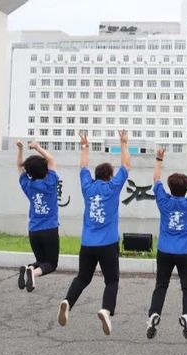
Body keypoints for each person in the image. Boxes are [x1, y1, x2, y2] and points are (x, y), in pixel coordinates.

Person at [58, 130, 130, 336]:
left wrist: (85, 146)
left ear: (96, 175)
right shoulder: (113, 187)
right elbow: (126, 165)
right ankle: (105, 310)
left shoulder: (87, 187)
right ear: (109, 176)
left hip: (87, 244)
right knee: (111, 281)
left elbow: (83, 167)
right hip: (108, 244)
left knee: (83, 278)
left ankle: (68, 301)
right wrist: (123, 143)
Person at [145, 148, 187, 341]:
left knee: (161, 285)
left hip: (164, 251)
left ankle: (154, 315)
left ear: (170, 188)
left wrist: (159, 158)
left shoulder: (164, 201)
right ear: (186, 189)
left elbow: (156, 179)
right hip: (185, 252)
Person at [15, 140, 60, 292]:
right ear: (45, 170)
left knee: (41, 261)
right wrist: (37, 147)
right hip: (49, 229)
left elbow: (19, 166)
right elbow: (51, 159)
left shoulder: (28, 185)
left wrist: (20, 149)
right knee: (51, 264)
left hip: (33, 230)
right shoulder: (50, 183)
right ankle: (32, 273)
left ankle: (29, 268)